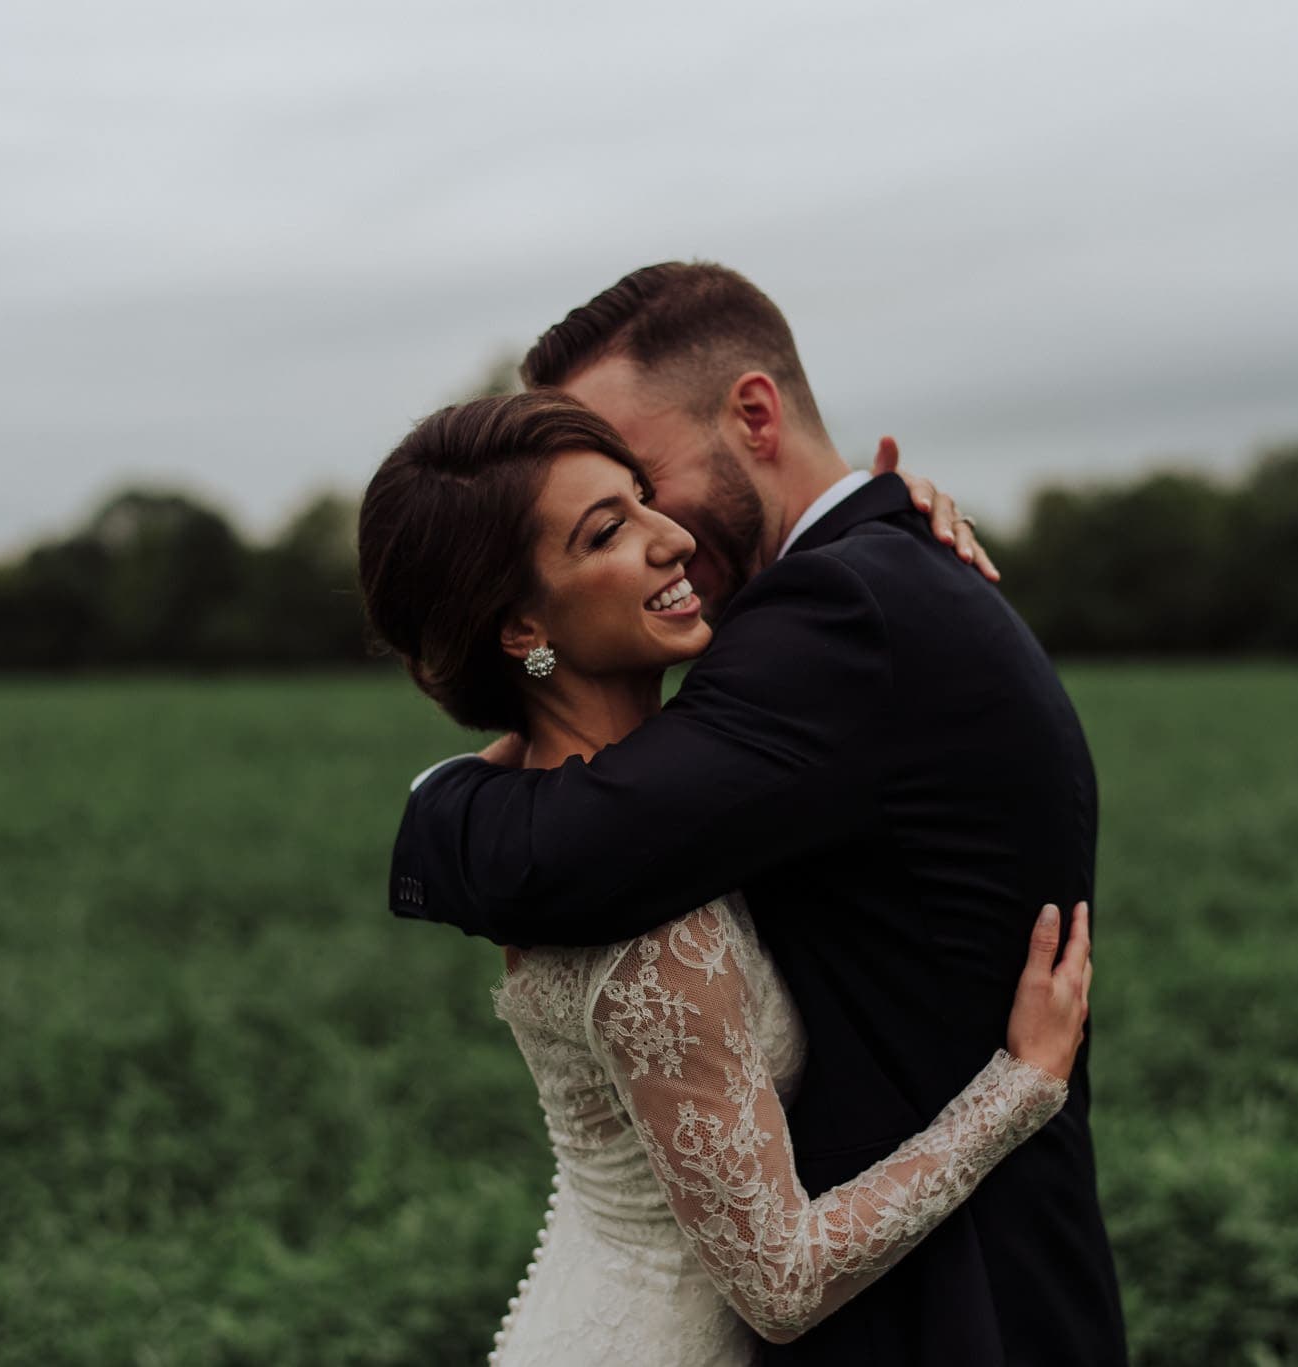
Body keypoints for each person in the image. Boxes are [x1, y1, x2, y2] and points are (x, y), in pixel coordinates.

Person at [388, 262, 1126, 1365]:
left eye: (645, 480)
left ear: (753, 414)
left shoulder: (837, 607)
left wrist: (432, 802)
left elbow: (570, 845)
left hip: (948, 1308)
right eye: (607, 516)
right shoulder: (865, 585)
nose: (665, 534)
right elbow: (603, 820)